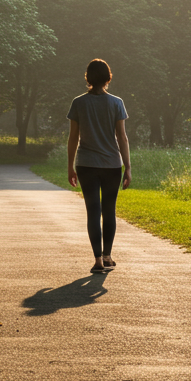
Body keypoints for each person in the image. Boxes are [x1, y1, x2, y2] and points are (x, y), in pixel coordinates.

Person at [66, 58, 132, 273]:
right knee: (109, 210)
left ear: (88, 78)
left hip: (86, 164)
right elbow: (122, 137)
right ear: (107, 78)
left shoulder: (79, 103)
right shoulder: (116, 102)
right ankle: (108, 256)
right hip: (112, 165)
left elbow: (73, 138)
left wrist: (70, 166)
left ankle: (97, 260)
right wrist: (128, 167)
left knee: (93, 211)